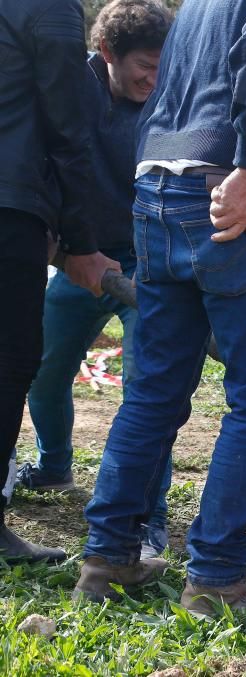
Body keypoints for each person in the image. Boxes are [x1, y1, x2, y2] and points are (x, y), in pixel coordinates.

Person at [73, 0, 246, 621]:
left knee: (152, 392)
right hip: (228, 184)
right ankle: (217, 577)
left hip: (157, 183)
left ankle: (108, 558)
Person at [14, 0, 173, 561]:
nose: (153, 81)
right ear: (107, 53)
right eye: (144, 68)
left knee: (149, 388)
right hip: (80, 258)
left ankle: (147, 519)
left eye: (162, 68)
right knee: (37, 368)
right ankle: (54, 463)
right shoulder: (64, 82)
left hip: (146, 264)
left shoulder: (169, 100)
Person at [0, 0, 119, 563]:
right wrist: (80, 242)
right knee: (10, 358)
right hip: (8, 204)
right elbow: (67, 128)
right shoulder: (46, 9)